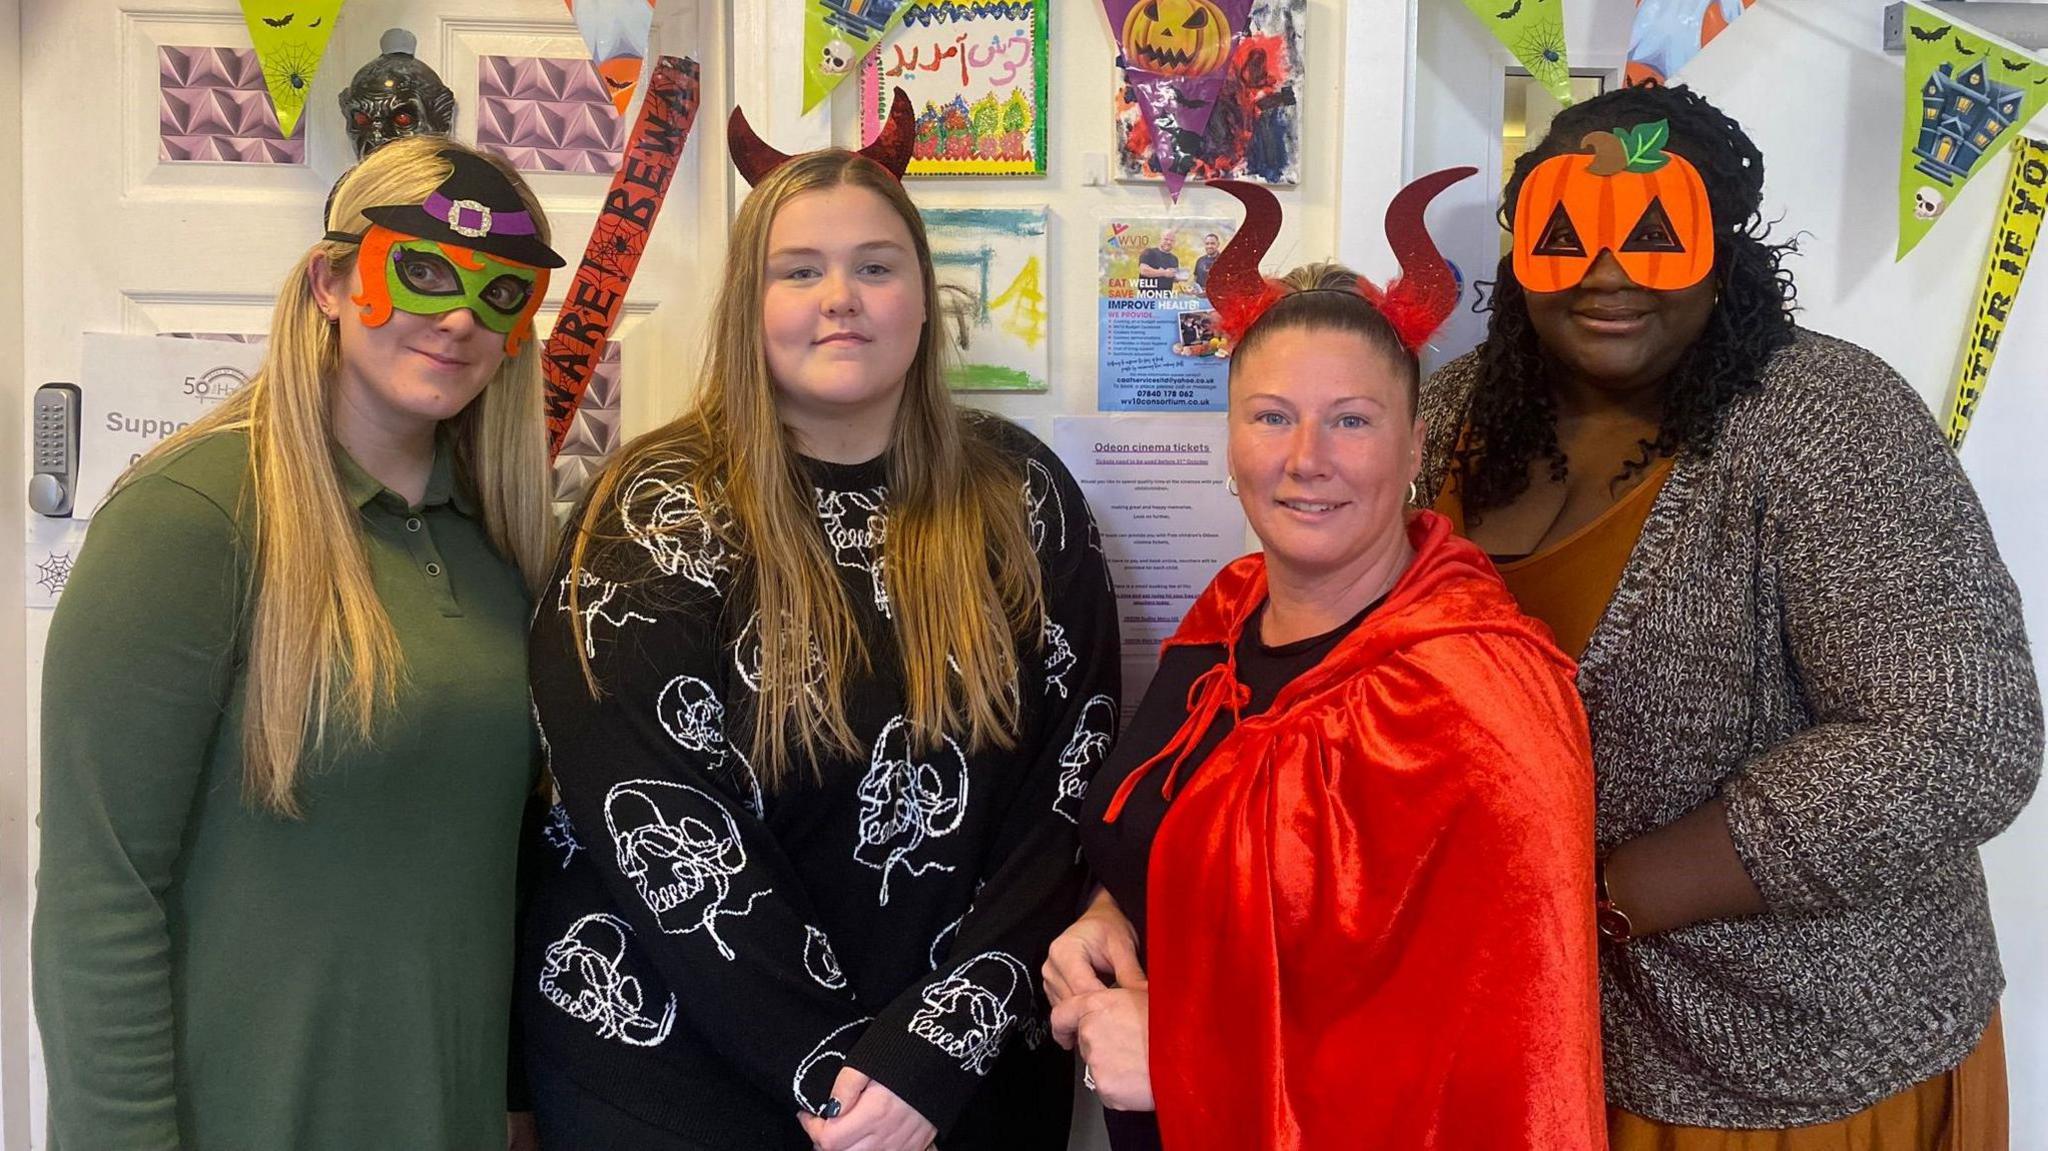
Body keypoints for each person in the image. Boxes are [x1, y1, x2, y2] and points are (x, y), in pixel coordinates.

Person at [1422, 83, 2042, 1148]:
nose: (1607, 271)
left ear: (1723, 250)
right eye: (1567, 234)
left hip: (1798, 1070)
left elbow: (1960, 734)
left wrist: (1599, 896)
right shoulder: (1440, 418)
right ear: (1521, 247)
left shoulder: (1824, 418)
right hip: (1517, 1044)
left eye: (1655, 233)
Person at [516, 93, 1119, 1151]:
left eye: (876, 266)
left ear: (926, 300)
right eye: (798, 270)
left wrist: (928, 1056)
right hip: (680, 1076)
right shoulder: (656, 506)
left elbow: (1062, 798)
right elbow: (649, 810)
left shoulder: (1020, 498)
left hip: (949, 1084)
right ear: (748, 304)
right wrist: (835, 1071)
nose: (839, 298)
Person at [1046, 176, 1606, 1151]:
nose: (1305, 457)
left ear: (1414, 442)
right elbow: (1173, 835)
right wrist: (1108, 908)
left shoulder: (1476, 698)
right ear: (1229, 439)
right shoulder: (1224, 615)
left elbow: (1482, 1060)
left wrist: (1181, 1052)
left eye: (1349, 419)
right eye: (1270, 417)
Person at [34, 137, 564, 1150]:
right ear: (330, 279)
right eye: (421, 271)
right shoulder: (192, 517)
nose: (458, 317)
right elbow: (99, 896)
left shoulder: (503, 552)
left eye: (500, 293)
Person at [1136, 230, 1180, 294]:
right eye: (1166, 239)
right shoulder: (1149, 252)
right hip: (1147, 298)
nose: (1169, 242)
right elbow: (1143, 271)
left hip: (1165, 298)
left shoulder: (1174, 259)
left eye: (1172, 240)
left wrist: (1177, 277)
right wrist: (1164, 273)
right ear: (1160, 239)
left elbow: (1171, 278)